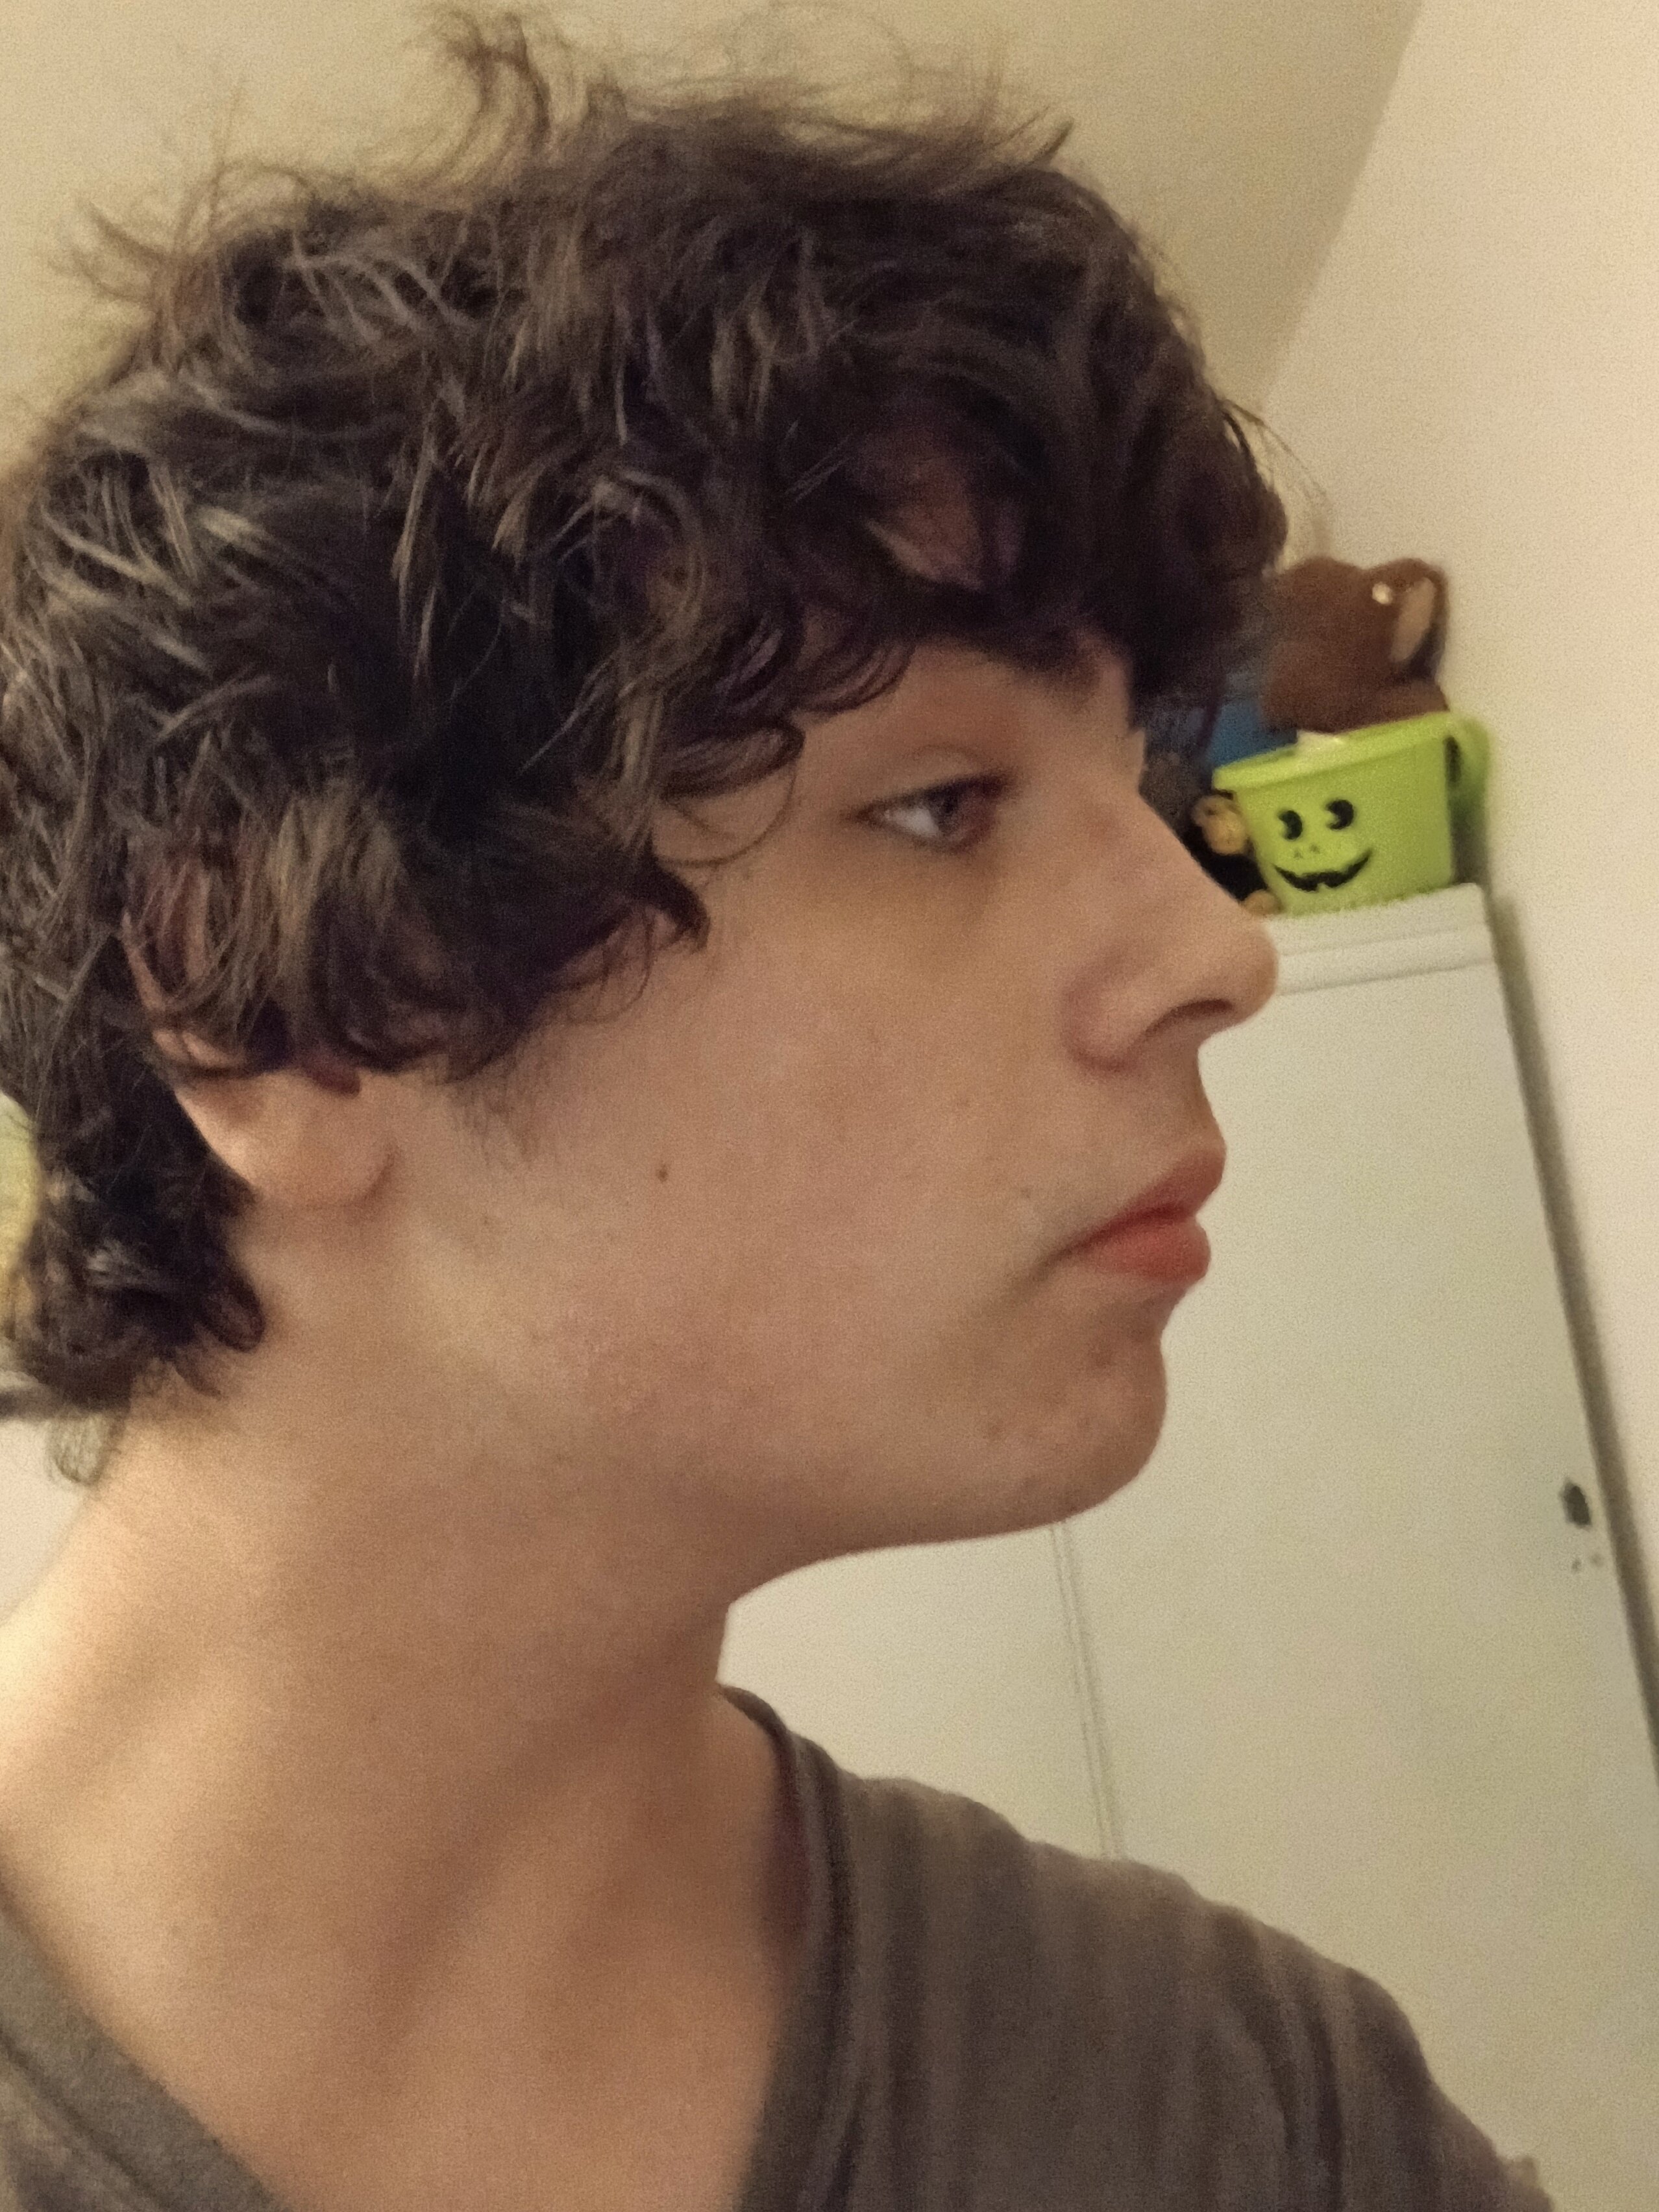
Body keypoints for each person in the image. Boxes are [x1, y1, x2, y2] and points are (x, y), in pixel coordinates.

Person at [0, 15, 1549, 2210]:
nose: (1219, 951)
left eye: (1144, 784)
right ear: (286, 1009)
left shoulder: (1249, 2112)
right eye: (938, 805)